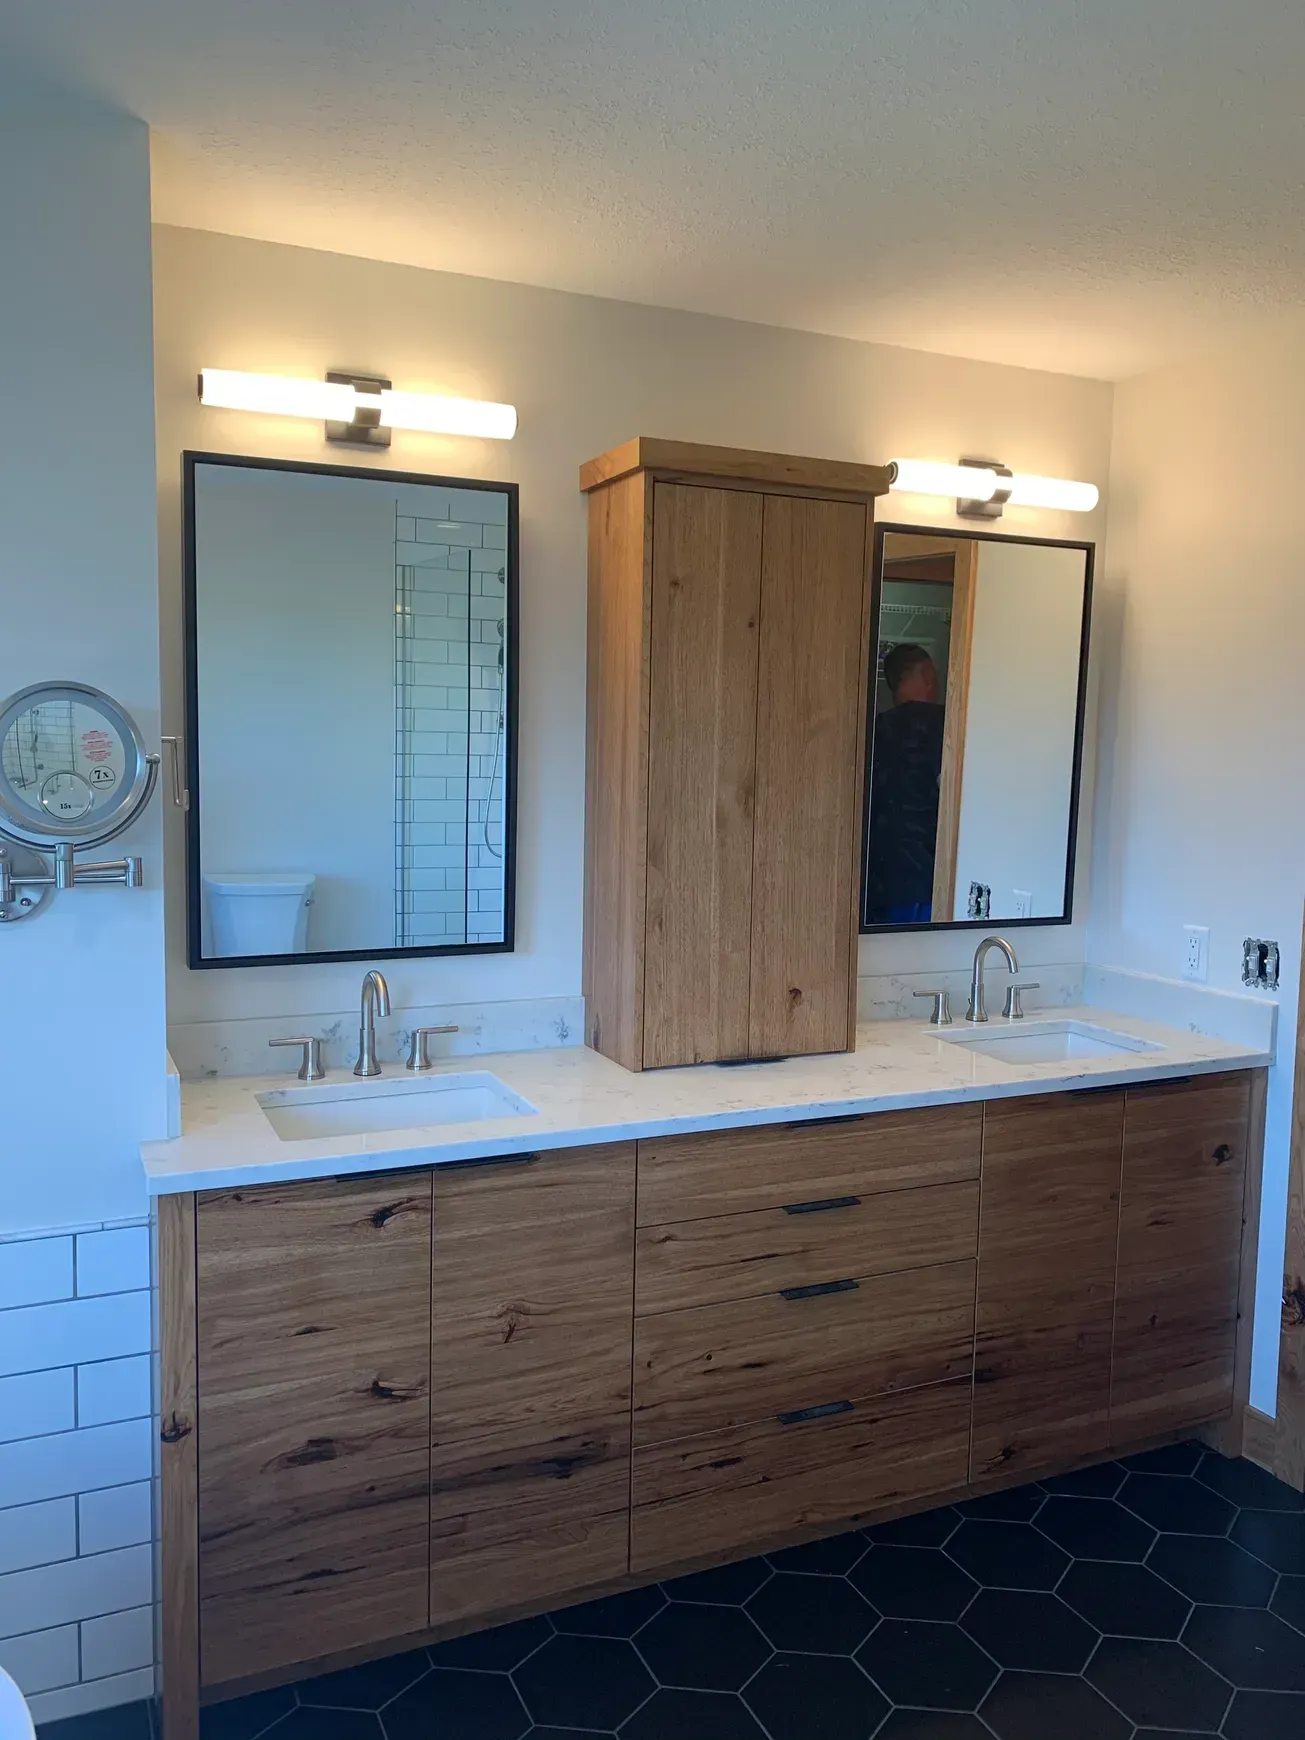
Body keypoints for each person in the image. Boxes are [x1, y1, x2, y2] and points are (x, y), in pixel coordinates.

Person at [865, 642, 945, 924]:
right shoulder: (947, 728)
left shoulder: (872, 730)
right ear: (928, 676)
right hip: (925, 876)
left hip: (877, 879)